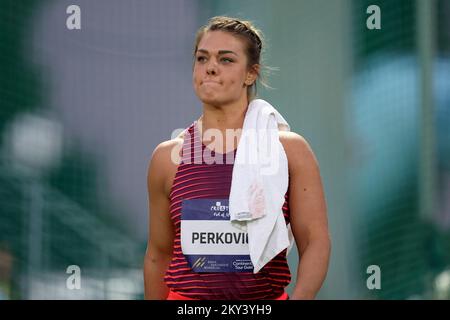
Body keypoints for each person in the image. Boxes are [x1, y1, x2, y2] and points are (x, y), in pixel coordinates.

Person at [143, 16, 331, 300]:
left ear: (250, 74)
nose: (211, 68)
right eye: (202, 58)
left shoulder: (289, 151)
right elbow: (159, 254)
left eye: (226, 59)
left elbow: (315, 241)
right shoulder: (168, 157)